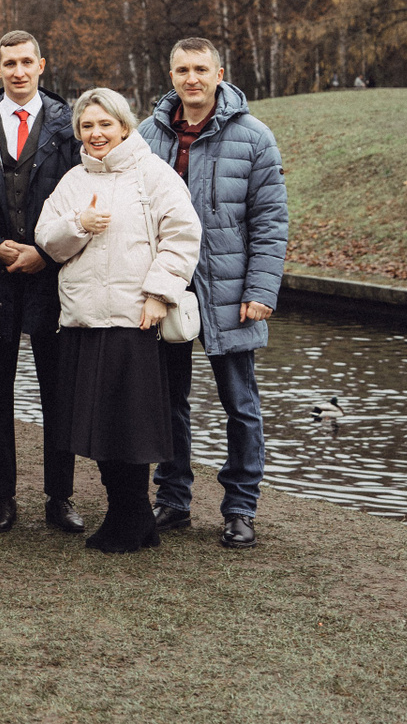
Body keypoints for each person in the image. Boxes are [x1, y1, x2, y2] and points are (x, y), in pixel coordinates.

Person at [35, 88, 201, 553]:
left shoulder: (153, 174)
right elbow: (48, 239)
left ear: (125, 126)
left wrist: (159, 294)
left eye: (105, 124)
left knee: (130, 426)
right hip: (84, 319)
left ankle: (130, 516)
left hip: (135, 319)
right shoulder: (73, 180)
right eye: (87, 126)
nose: (96, 133)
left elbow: (182, 236)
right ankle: (131, 514)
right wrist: (79, 225)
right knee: (99, 425)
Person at [138, 37, 289, 549]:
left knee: (240, 404)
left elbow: (270, 222)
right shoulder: (148, 135)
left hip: (230, 289)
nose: (192, 79)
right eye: (183, 70)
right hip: (167, 286)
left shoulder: (254, 136)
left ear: (219, 74)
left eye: (201, 69)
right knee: (167, 400)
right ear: (172, 76)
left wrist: (260, 289)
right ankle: (173, 498)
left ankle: (240, 507)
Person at [0, 31, 84, 534]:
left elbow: (81, 200)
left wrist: (45, 253)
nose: (19, 71)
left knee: (58, 391)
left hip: (52, 276)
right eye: (10, 63)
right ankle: (1, 496)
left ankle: (60, 497)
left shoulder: (69, 126)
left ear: (41, 65)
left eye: (27, 61)